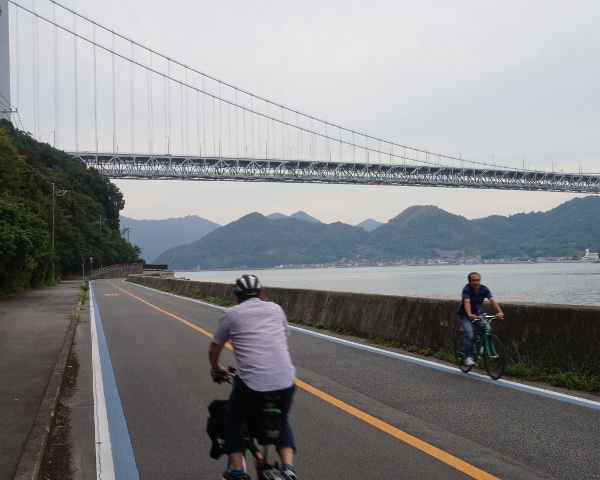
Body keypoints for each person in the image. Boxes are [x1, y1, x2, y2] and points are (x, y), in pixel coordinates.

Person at [208, 274, 297, 480]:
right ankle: (289, 469)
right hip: (285, 380)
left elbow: (214, 349)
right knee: (282, 420)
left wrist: (216, 368)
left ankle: (238, 471)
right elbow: (283, 337)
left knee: (233, 418)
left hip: (253, 384)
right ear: (261, 294)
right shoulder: (276, 309)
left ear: (237, 297)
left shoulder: (231, 315)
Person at [457, 272, 504, 366]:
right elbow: (467, 302)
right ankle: (468, 357)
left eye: (478, 280)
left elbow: (492, 300)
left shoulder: (484, 289)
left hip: (477, 315)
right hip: (464, 316)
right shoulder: (466, 289)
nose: (476, 282)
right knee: (469, 334)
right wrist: (470, 314)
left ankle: (479, 348)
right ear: (469, 282)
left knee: (487, 329)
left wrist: (500, 312)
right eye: (473, 280)